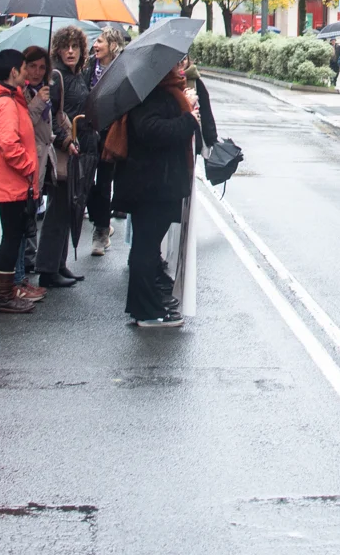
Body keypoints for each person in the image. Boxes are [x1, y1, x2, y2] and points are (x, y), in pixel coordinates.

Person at [109, 56, 215, 329]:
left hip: (153, 183)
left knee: (146, 246)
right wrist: (188, 119)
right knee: (146, 247)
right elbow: (151, 130)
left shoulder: (159, 91)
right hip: (152, 185)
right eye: (174, 65)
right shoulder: (153, 95)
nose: (180, 68)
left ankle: (143, 307)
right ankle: (147, 312)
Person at [0, 47, 41, 314]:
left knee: (13, 236)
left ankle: (6, 293)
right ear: (14, 71)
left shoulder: (9, 98)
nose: (28, 73)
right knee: (11, 238)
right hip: (11, 180)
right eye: (25, 68)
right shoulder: (5, 103)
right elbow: (8, 143)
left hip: (11, 180)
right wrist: (28, 167)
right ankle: (3, 296)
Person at [34, 35, 89, 289]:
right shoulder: (56, 77)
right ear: (57, 50)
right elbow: (50, 118)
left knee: (67, 209)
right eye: (65, 47)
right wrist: (66, 141)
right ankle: (47, 268)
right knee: (57, 210)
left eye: (75, 47)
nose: (70, 51)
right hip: (62, 151)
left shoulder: (76, 74)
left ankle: (58, 263)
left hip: (76, 149)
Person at [15, 45, 59, 288]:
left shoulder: (41, 90)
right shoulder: (21, 92)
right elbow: (24, 124)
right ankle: (18, 274)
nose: (37, 72)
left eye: (42, 67)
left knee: (32, 212)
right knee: (22, 217)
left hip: (42, 157)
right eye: (32, 66)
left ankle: (26, 263)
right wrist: (39, 102)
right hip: (28, 159)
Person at [83, 26, 128, 256]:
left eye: (100, 41)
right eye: (95, 41)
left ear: (113, 45)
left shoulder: (121, 69)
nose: (95, 45)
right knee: (84, 183)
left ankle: (101, 231)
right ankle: (101, 220)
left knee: (103, 184)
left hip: (110, 134)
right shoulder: (88, 66)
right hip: (88, 133)